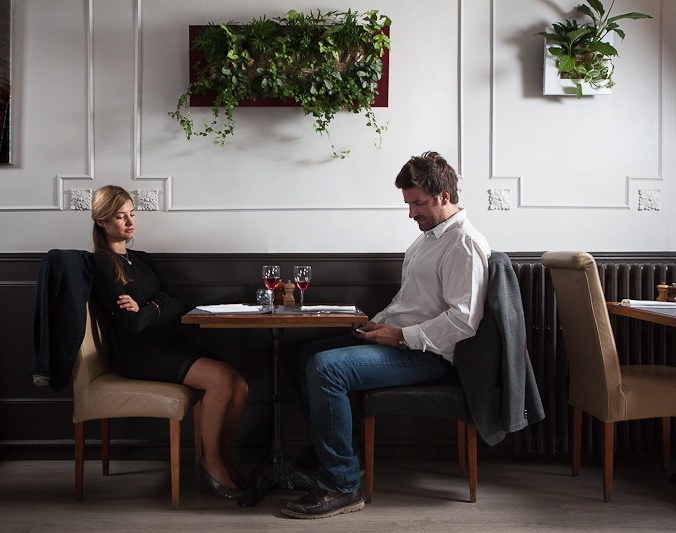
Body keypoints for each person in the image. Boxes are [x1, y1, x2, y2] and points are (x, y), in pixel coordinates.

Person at [283, 152, 491, 519]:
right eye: (408, 204)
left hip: (429, 355)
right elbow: (409, 302)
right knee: (299, 357)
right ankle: (342, 459)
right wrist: (375, 324)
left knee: (325, 368)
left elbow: (463, 321)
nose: (411, 213)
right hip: (402, 340)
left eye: (418, 204)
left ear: (444, 196)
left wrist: (400, 336)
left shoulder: (462, 243)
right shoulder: (428, 239)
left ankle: (342, 487)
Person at [89, 185, 249, 500]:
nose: (129, 222)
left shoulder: (142, 259)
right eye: (120, 216)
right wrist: (157, 305)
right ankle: (211, 464)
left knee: (239, 385)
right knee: (220, 380)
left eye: (132, 214)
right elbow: (134, 324)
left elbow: (177, 301)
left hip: (171, 342)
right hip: (141, 352)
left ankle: (222, 457)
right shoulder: (101, 263)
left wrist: (149, 306)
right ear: (102, 222)